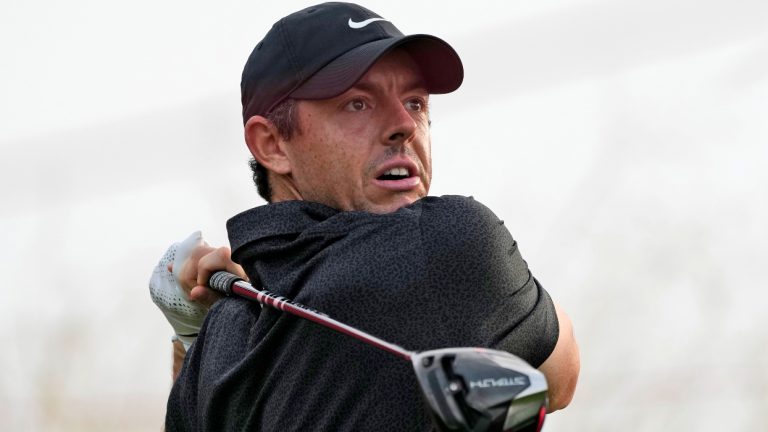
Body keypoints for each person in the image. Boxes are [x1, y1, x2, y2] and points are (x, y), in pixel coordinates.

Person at [150, 2, 579, 430]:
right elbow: (561, 377)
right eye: (357, 103)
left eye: (415, 102)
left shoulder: (226, 333)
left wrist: (196, 335)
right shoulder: (447, 242)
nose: (404, 124)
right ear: (272, 144)